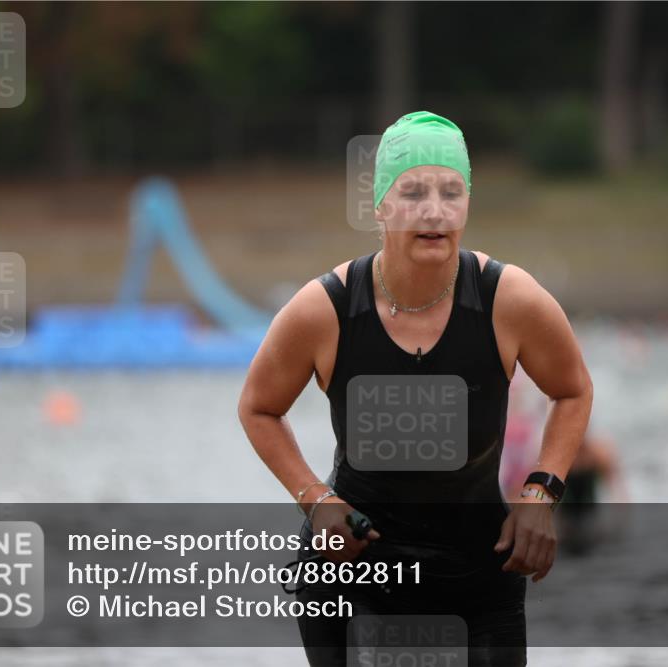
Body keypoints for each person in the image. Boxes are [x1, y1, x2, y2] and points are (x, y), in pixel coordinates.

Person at [238, 110, 593, 666]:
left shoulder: (509, 299)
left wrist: (540, 494)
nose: (434, 210)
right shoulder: (325, 309)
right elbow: (258, 407)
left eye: (452, 192)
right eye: (412, 192)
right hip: (354, 572)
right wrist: (317, 501)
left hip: (480, 574)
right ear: (379, 206)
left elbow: (572, 391)